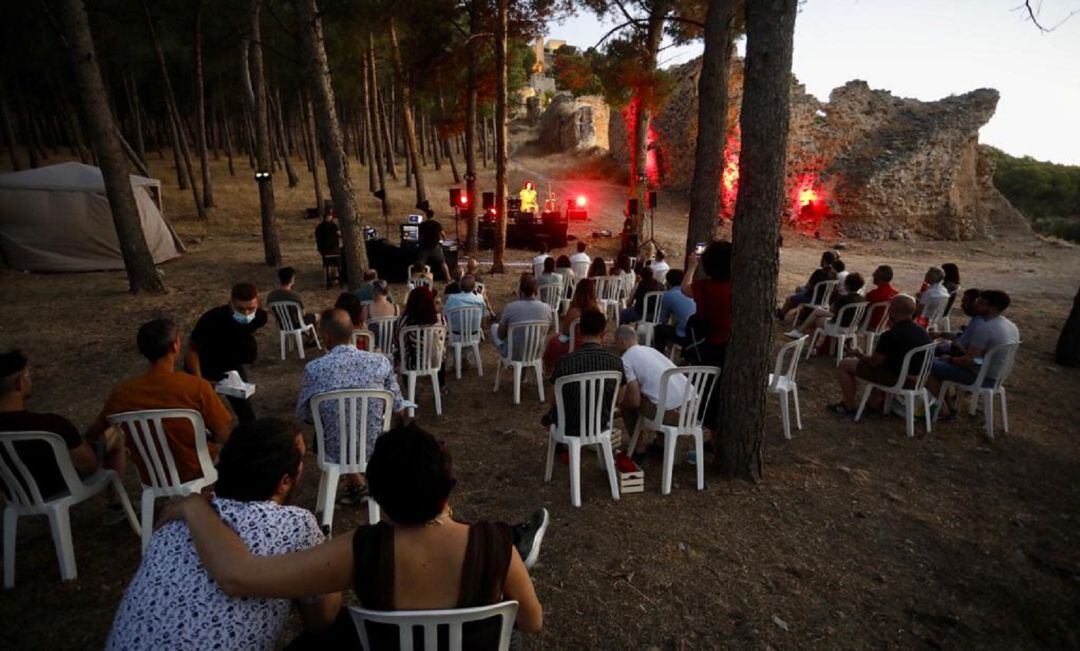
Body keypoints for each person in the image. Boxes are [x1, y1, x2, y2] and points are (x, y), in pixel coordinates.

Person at [155, 424, 545, 648]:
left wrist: (194, 508)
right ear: (446, 491)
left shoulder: (361, 549)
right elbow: (532, 622)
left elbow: (239, 575)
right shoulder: (496, 545)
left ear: (378, 495)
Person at [106, 418, 340, 650]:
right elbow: (321, 619)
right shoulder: (295, 524)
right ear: (284, 482)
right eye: (300, 460)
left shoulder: (175, 519)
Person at [90, 318, 234, 485]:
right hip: (195, 469)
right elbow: (224, 435)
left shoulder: (122, 393)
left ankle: (114, 495)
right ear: (175, 346)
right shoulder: (196, 387)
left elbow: (95, 434)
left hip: (152, 475)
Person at [0, 350, 126, 522]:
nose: (31, 379)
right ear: (18, 383)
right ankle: (115, 506)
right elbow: (90, 466)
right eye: (28, 374)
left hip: (17, 494)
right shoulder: (51, 425)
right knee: (115, 435)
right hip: (60, 485)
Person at [297, 309, 405, 505]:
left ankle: (354, 484)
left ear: (326, 337)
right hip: (375, 447)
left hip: (334, 449)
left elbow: (304, 414)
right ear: (351, 332)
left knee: (328, 430)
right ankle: (359, 484)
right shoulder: (379, 362)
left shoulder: (314, 369)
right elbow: (398, 406)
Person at [831, 294, 933, 415]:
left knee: (845, 364)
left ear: (893, 309)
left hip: (897, 380)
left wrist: (859, 354)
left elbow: (874, 362)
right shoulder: (923, 333)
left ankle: (849, 406)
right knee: (886, 366)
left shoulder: (891, 335)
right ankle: (873, 404)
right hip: (918, 380)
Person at [928, 290, 1019, 419]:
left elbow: (970, 361)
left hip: (980, 378)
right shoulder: (1011, 326)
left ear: (993, 307)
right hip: (997, 377)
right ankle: (949, 405)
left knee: (926, 365)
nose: (976, 305)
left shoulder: (985, 328)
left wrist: (949, 359)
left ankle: (943, 410)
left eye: (981, 303)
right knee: (939, 363)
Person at [186, 283, 268, 423]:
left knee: (245, 411)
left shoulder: (259, 317)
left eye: (251, 309)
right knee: (205, 412)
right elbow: (192, 349)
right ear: (231, 303)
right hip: (205, 364)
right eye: (240, 309)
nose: (246, 314)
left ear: (258, 303)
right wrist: (199, 381)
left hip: (231, 367)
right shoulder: (212, 319)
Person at [542, 310, 625, 436]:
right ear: (604, 333)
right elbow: (619, 399)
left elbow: (553, 398)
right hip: (601, 424)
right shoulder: (616, 363)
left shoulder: (566, 361)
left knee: (552, 414)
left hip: (568, 425)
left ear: (579, 331)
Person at [614, 326, 689, 455]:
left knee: (628, 404)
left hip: (672, 414)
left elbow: (634, 401)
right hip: (691, 411)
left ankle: (638, 448)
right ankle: (661, 444)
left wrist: (617, 404)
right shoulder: (652, 351)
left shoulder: (626, 359)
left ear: (620, 340)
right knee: (655, 397)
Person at [681, 241, 732, 366]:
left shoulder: (703, 287)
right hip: (728, 347)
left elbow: (685, 288)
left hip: (706, 346)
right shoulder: (736, 289)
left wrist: (692, 267)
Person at [785, 272, 867, 339]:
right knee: (818, 312)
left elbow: (832, 309)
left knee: (817, 320)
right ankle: (804, 335)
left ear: (847, 285)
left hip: (839, 327)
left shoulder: (844, 299)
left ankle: (804, 336)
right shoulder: (862, 300)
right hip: (852, 327)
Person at [491, 274, 553, 359]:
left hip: (513, 354)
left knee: (494, 327)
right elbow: (547, 330)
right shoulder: (546, 308)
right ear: (536, 291)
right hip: (535, 353)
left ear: (520, 291)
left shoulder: (511, 308)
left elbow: (500, 335)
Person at [396, 287, 447, 385]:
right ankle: (441, 385)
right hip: (435, 361)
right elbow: (444, 339)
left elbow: (398, 341)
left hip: (411, 363)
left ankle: (409, 388)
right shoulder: (440, 319)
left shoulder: (403, 322)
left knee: (402, 352)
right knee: (440, 349)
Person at [544, 278, 598, 368]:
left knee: (553, 340)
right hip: (594, 345)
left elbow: (565, 332)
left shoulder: (573, 312)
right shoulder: (599, 310)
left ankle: (549, 369)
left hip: (574, 346)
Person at [777, 250, 839, 321]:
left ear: (824, 260)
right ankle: (802, 313)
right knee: (799, 291)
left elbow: (808, 286)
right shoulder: (835, 274)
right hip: (825, 300)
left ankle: (781, 314)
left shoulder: (819, 272)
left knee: (790, 299)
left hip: (813, 298)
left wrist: (805, 290)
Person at [267, 267, 318, 341]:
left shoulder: (271, 295)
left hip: (283, 324)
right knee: (317, 317)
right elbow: (303, 313)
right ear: (292, 279)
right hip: (297, 323)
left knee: (296, 320)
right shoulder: (294, 296)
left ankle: (308, 335)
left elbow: (270, 311)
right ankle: (312, 339)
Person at [654, 269, 696, 354]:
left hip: (685, 335)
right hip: (699, 334)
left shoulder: (668, 295)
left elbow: (663, 319)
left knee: (659, 329)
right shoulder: (692, 291)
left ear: (668, 282)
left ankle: (659, 354)